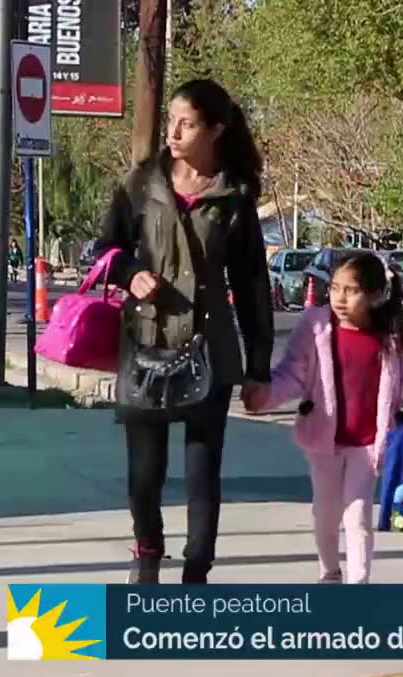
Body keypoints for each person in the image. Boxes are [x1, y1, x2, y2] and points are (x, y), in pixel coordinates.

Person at [97, 78, 274, 584]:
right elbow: (104, 249)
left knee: (202, 470)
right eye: (171, 119)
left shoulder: (234, 196)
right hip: (146, 342)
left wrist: (257, 368)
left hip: (209, 348)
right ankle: (147, 552)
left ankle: (197, 570)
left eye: (188, 123)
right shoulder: (142, 183)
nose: (173, 132)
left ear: (215, 130)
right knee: (144, 472)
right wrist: (132, 274)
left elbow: (254, 285)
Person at [249, 252, 403, 584]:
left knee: (357, 517)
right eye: (335, 288)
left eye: (351, 290)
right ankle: (330, 572)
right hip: (324, 442)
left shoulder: (387, 338)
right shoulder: (316, 327)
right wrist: (264, 396)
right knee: (326, 515)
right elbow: (291, 374)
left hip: (367, 445)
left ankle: (360, 584)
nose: (340, 298)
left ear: (374, 295)